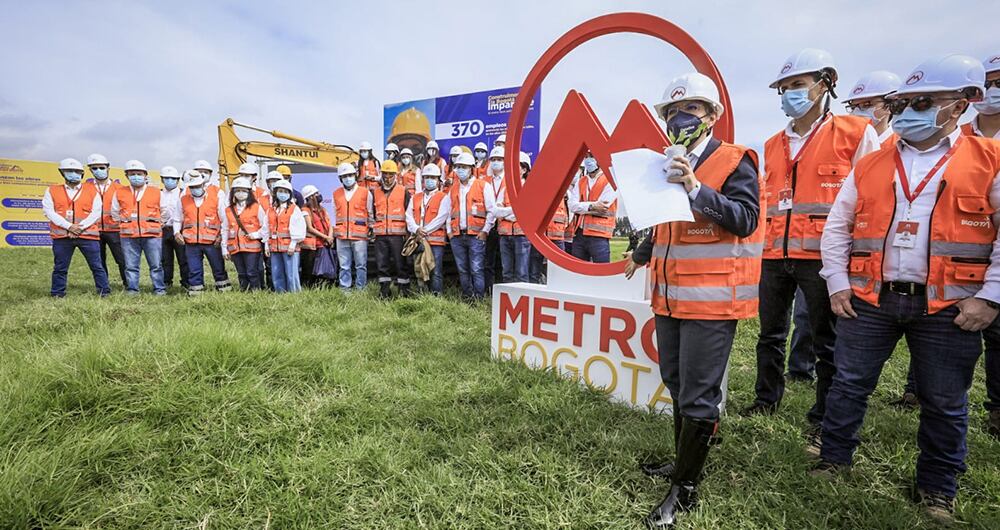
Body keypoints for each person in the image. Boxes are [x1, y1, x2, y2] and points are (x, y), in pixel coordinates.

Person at [816, 54, 999, 523]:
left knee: (944, 400)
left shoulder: (989, 160)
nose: (908, 111)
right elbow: (838, 227)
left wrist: (990, 297)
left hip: (949, 304)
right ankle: (833, 459)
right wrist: (837, 281)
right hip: (871, 298)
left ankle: (937, 488)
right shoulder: (875, 162)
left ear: (959, 106)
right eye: (902, 102)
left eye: (923, 101)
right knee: (849, 383)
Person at [626, 72, 762, 529]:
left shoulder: (734, 159)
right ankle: (682, 462)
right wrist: (642, 250)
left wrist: (695, 189)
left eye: (692, 109)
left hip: (712, 301)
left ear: (713, 115)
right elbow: (666, 224)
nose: (681, 118)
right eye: (673, 112)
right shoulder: (665, 161)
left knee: (701, 395)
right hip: (668, 297)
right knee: (678, 383)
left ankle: (684, 490)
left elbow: (745, 219)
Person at [745, 49, 880, 454]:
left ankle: (823, 416)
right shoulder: (771, 144)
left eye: (797, 85)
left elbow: (871, 197)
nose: (789, 94)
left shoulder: (856, 132)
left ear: (824, 86)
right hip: (773, 253)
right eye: (784, 88)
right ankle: (766, 399)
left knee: (827, 340)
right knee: (769, 334)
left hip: (824, 257)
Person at [960, 53, 1000, 439]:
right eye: (988, 81)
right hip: (963, 255)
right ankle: (915, 391)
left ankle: (997, 411)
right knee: (948, 326)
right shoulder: (959, 137)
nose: (992, 91)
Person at [42, 158, 110, 297]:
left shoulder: (91, 190)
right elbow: (49, 211)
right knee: (60, 267)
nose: (74, 174)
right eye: (69, 171)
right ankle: (57, 293)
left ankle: (104, 292)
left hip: (88, 235)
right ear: (62, 173)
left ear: (82, 174)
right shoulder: (52, 190)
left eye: (77, 172)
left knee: (97, 266)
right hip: (62, 236)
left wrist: (80, 227)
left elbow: (96, 212)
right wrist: (69, 227)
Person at [112, 160, 169, 295]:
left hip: (152, 235)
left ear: (145, 175)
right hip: (128, 236)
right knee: (131, 266)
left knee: (156, 265)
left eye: (139, 173)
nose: (136, 176)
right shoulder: (120, 192)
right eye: (132, 174)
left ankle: (159, 289)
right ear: (127, 176)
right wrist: (124, 224)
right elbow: (114, 212)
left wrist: (159, 223)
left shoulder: (156, 192)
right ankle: (132, 289)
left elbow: (165, 211)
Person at [448, 152, 496, 300]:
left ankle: (479, 298)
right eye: (458, 167)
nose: (460, 170)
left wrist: (485, 231)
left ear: (471, 168)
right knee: (463, 270)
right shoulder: (453, 188)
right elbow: (448, 212)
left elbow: (492, 211)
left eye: (464, 167)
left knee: (476, 269)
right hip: (457, 236)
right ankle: (468, 297)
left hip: (476, 236)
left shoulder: (483, 186)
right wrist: (450, 232)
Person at [174, 173, 231, 294]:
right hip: (191, 242)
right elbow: (177, 218)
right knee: (194, 269)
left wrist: (221, 236)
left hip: (212, 242)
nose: (195, 189)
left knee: (218, 267)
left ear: (203, 185)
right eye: (192, 187)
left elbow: (224, 219)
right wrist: (176, 232)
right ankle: (196, 292)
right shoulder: (183, 199)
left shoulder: (215, 197)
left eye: (197, 186)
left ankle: (224, 289)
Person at [406, 163, 450, 295]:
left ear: (438, 180)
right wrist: (416, 229)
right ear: (423, 180)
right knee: (420, 267)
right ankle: (422, 296)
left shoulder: (444, 197)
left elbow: (441, 218)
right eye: (427, 177)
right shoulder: (416, 197)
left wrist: (423, 231)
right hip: (418, 240)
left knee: (435, 270)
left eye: (433, 177)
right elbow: (408, 216)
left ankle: (436, 296)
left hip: (435, 241)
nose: (430, 180)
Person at [371, 160, 412, 298]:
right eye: (385, 175)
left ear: (396, 175)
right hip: (381, 235)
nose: (387, 178)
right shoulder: (375, 192)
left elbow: (409, 213)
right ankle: (384, 292)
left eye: (390, 175)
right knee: (382, 265)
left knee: (401, 264)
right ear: (381, 175)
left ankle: (404, 292)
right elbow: (373, 213)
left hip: (398, 235)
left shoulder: (403, 191)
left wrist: (408, 234)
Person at [567, 151, 617, 263]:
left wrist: (581, 207)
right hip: (579, 234)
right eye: (586, 157)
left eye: (592, 156)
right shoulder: (581, 181)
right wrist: (591, 206)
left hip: (599, 236)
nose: (588, 159)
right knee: (578, 273)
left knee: (601, 273)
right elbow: (572, 205)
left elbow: (604, 206)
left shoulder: (611, 180)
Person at [491, 150, 531, 283]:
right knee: (506, 273)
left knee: (522, 273)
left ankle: (522, 302)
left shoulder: (530, 188)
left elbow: (525, 212)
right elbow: (496, 211)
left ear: (524, 169)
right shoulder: (506, 187)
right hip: (505, 235)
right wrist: (513, 211)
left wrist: (506, 212)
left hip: (522, 236)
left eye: (516, 166)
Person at [87, 153, 127, 286]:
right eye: (95, 168)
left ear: (108, 168)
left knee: (122, 259)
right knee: (98, 261)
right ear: (90, 170)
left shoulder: (119, 188)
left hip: (115, 230)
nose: (99, 171)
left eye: (101, 167)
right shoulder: (85, 188)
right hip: (93, 230)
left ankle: (128, 284)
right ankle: (103, 286)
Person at [331, 162, 373, 291]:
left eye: (350, 175)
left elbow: (370, 213)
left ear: (355, 175)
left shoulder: (365, 193)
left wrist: (371, 230)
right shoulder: (336, 194)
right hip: (341, 235)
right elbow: (334, 214)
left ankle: (361, 289)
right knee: (344, 265)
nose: (348, 178)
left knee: (361, 265)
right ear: (340, 178)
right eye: (344, 176)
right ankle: (345, 289)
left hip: (359, 235)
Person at [222, 177, 268, 290]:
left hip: (251, 247)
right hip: (235, 247)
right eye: (237, 190)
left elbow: (265, 226)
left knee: (252, 272)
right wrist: (224, 248)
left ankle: (256, 291)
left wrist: (256, 234)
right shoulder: (228, 210)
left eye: (243, 190)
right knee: (241, 272)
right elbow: (225, 229)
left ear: (249, 192)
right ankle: (244, 291)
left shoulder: (256, 207)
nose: (240, 193)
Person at [845, 71, 903, 148]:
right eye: (853, 107)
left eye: (866, 105)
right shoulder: (844, 143)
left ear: (891, 105)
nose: (857, 111)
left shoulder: (901, 147)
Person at [267, 179, 306, 293]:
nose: (282, 194)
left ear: (289, 194)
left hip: (289, 247)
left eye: (285, 191)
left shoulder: (294, 209)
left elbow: (299, 227)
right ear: (275, 193)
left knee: (291, 273)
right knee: (277, 272)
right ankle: (280, 294)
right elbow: (266, 227)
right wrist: (266, 245)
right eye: (280, 191)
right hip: (275, 247)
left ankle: (294, 295)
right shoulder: (271, 210)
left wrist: (293, 244)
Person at [530, 174, 570, 284]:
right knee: (535, 269)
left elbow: (569, 214)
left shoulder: (565, 194)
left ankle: (559, 289)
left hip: (556, 237)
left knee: (559, 270)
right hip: (540, 237)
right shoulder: (538, 194)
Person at [159, 166, 189, 290]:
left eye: (173, 178)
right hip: (163, 230)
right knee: (165, 259)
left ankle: (186, 283)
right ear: (162, 179)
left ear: (177, 180)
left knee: (183, 259)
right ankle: (166, 282)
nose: (169, 180)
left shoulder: (184, 193)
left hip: (179, 230)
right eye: (166, 178)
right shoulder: (158, 194)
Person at [300, 184, 334, 288]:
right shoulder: (305, 210)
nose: (319, 195)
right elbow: (309, 228)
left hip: (324, 245)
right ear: (310, 197)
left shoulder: (322, 209)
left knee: (323, 271)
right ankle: (308, 289)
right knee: (310, 271)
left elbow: (330, 224)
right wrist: (326, 237)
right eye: (316, 194)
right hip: (311, 247)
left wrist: (330, 236)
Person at [484, 147, 507, 290]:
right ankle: (489, 291)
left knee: (505, 262)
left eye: (499, 160)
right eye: (493, 160)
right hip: (489, 225)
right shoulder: (485, 181)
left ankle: (505, 291)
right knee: (488, 261)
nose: (496, 162)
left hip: (505, 225)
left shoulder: (510, 180)